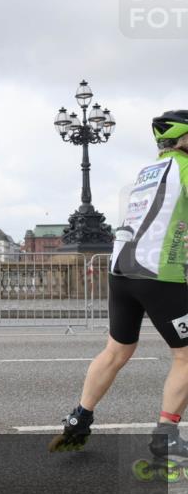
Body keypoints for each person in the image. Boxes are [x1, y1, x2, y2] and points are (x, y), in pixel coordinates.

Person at [50, 110, 188, 466]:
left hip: (121, 270)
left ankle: (79, 418)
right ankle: (166, 439)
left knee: (116, 350)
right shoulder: (185, 169)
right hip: (158, 273)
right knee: (186, 356)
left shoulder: (148, 172)